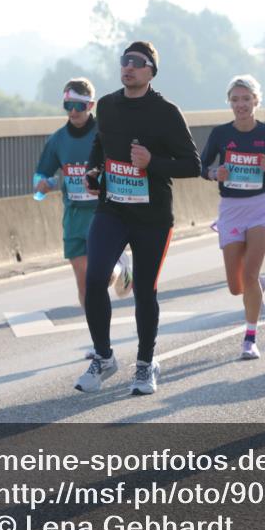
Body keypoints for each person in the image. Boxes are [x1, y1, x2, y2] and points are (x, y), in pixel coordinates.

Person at [76, 41, 201, 395]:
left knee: (145, 291)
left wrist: (152, 163)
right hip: (112, 208)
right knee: (95, 278)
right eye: (124, 61)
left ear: (151, 71)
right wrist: (93, 169)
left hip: (153, 217)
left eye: (137, 62)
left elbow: (194, 165)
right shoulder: (108, 106)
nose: (128, 67)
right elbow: (100, 143)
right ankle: (103, 357)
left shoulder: (166, 112)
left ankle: (146, 365)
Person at [34, 78, 134, 359]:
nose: (73, 111)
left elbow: (123, 165)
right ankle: (98, 341)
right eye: (68, 105)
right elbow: (42, 176)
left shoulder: (105, 133)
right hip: (74, 216)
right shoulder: (57, 140)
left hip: (104, 213)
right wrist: (45, 185)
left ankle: (121, 266)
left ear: (90, 105)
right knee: (85, 285)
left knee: (97, 280)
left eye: (78, 105)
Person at [200, 75, 265, 360]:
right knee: (235, 286)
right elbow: (201, 166)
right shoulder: (220, 134)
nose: (241, 104)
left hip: (260, 208)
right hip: (230, 209)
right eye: (235, 99)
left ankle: (250, 338)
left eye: (246, 99)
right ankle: (256, 286)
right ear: (230, 102)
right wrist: (216, 173)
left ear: (256, 100)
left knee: (249, 274)